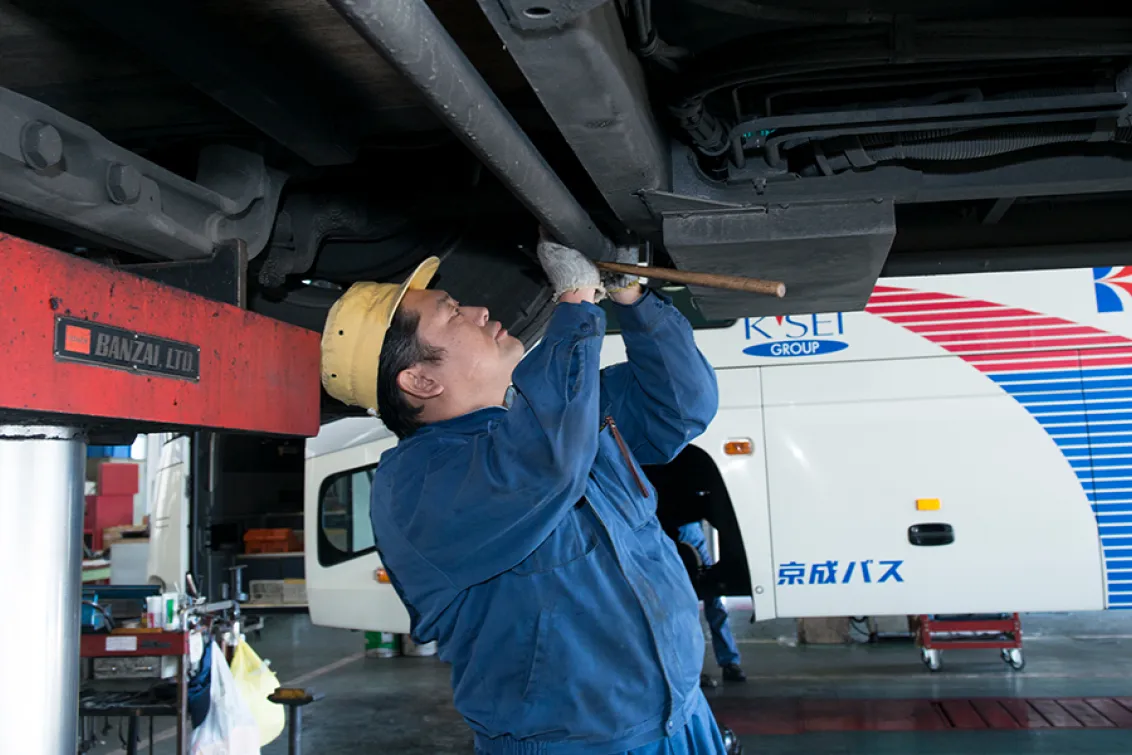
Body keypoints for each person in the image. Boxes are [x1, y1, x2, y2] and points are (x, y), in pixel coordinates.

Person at [319, 235, 724, 755]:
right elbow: (545, 467)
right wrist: (574, 304)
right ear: (420, 380)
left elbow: (681, 406)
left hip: (684, 717)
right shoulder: (415, 485)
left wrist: (631, 297)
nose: (480, 310)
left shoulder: (553, 414)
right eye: (452, 313)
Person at [676, 522, 746, 685]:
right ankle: (694, 669)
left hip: (689, 534)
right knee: (685, 608)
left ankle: (728, 662)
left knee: (711, 602)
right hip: (674, 536)